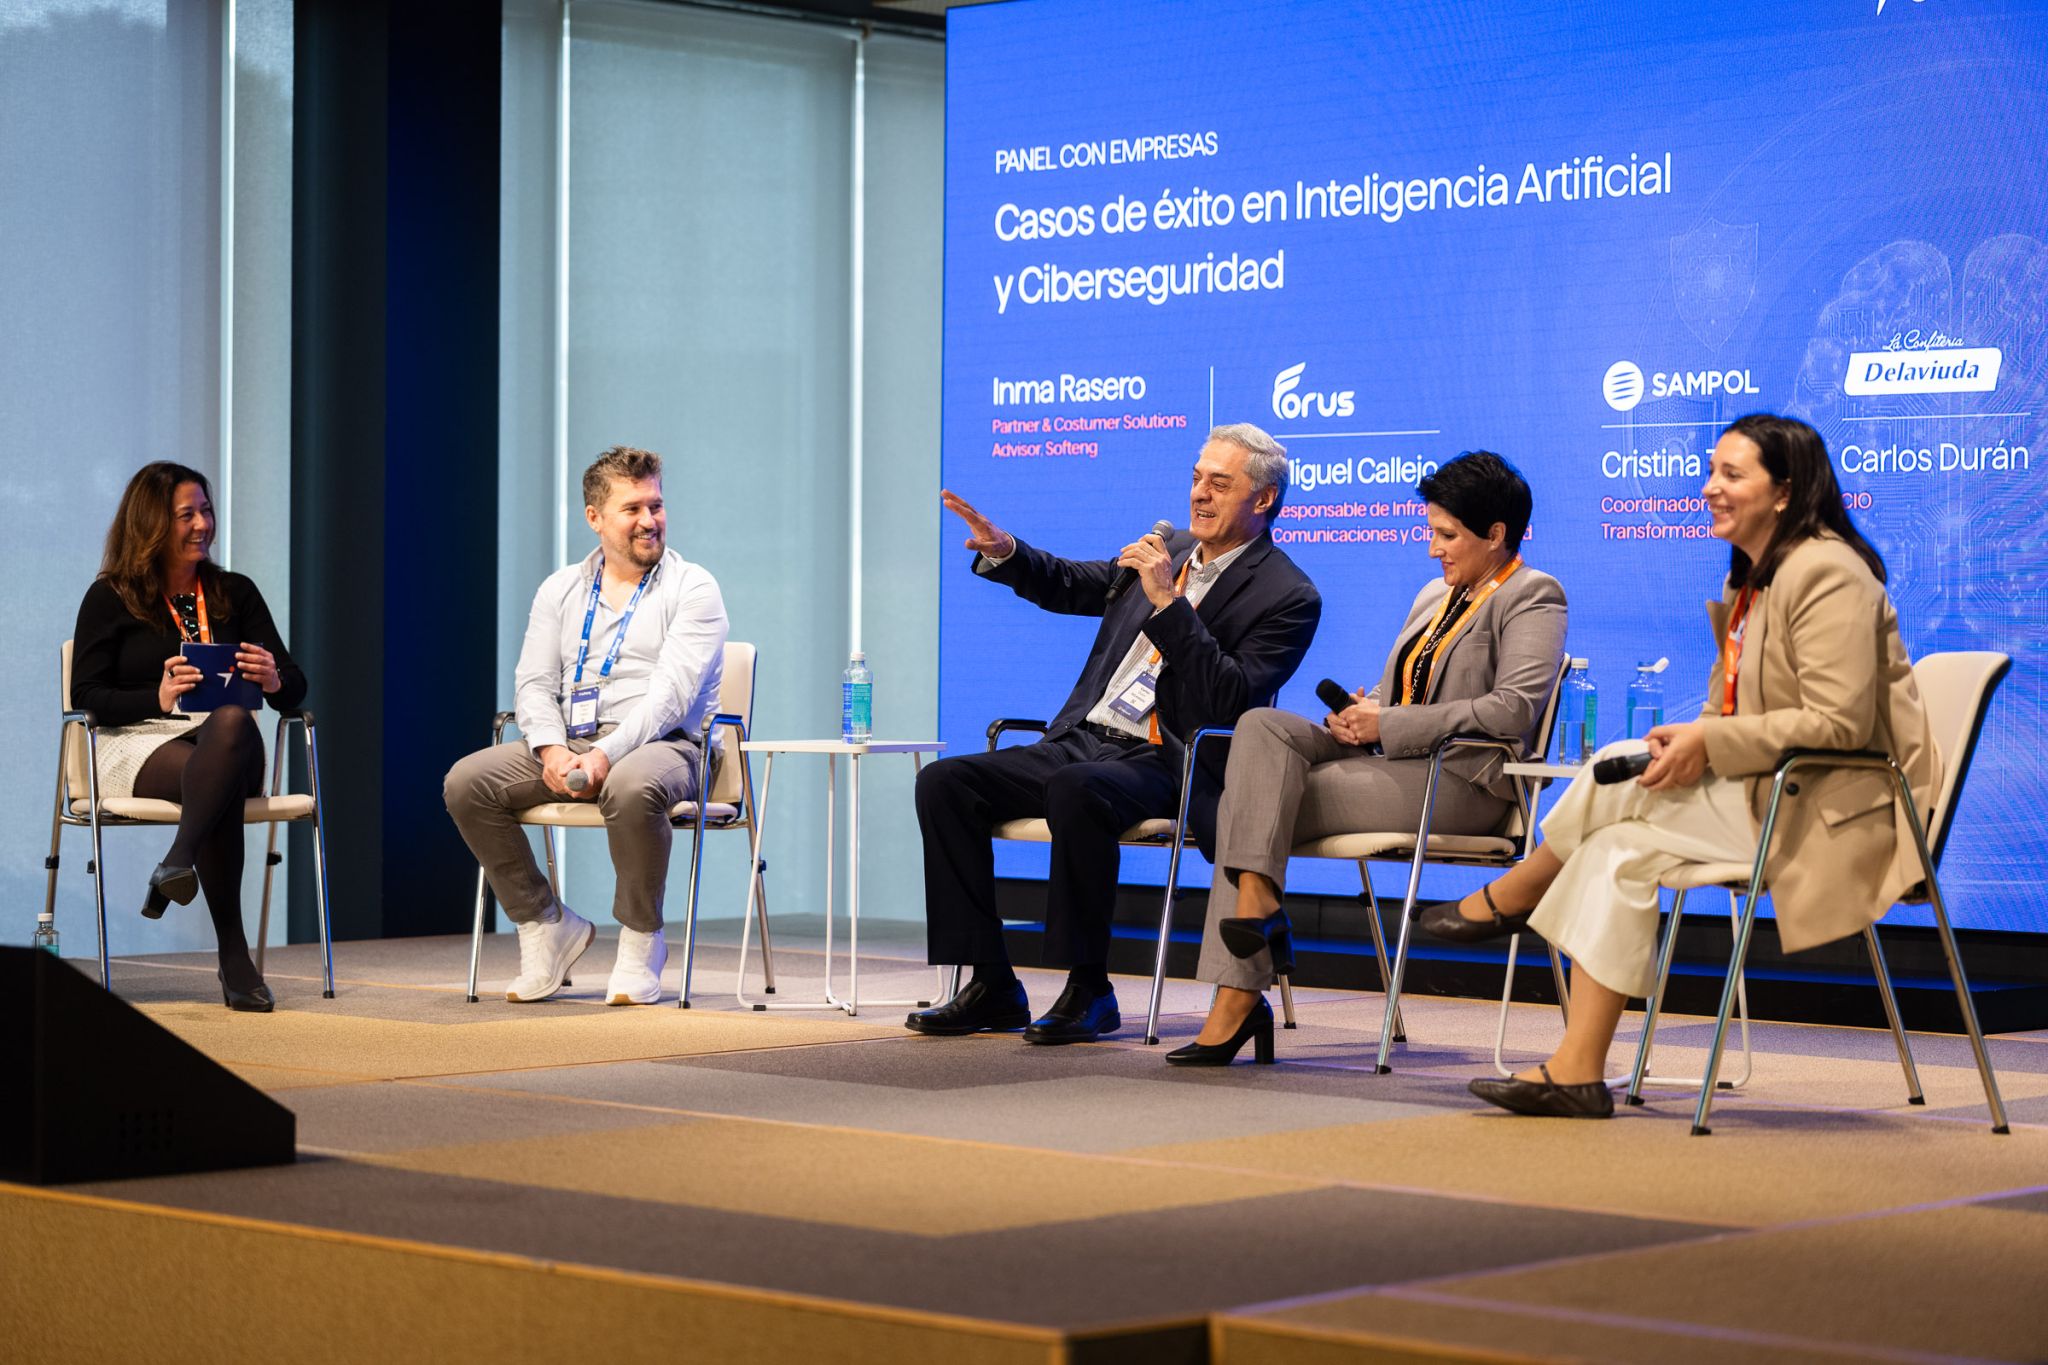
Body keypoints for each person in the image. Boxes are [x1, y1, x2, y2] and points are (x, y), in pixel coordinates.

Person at [1426, 414, 1937, 1118]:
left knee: (1613, 770)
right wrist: (1694, 735)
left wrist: (1712, 744)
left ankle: (1518, 892)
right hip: (1771, 792)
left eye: (1732, 474)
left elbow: (1838, 724)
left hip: (1832, 809)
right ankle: (1577, 1070)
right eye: (1712, 471)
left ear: (1785, 492)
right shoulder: (1755, 578)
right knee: (1613, 847)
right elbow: (1733, 711)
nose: (1709, 487)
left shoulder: (1827, 573)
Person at [905, 423, 1322, 1045]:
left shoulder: (1288, 594)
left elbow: (1227, 699)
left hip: (1174, 757)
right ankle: (991, 982)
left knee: (1078, 789)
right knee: (946, 783)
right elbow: (1077, 583)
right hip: (1088, 737)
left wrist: (1169, 606)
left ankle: (1088, 987)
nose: (1199, 495)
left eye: (1220, 483)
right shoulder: (1170, 550)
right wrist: (1005, 550)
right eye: (1196, 478)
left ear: (1262, 500)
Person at [1167, 451, 1567, 1065]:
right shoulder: (1437, 593)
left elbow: (1512, 710)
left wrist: (1392, 722)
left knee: (1249, 806)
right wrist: (1366, 710)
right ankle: (1258, 912)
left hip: (1459, 782)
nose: (1434, 549)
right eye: (1432, 532)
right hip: (1393, 756)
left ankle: (1239, 992)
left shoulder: (1533, 594)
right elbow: (1408, 682)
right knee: (1261, 728)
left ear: (1496, 535)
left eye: (1447, 535)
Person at [445, 446, 728, 1006]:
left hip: (671, 745)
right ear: (594, 518)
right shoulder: (562, 589)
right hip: (574, 741)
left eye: (657, 505)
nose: (651, 521)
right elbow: (532, 682)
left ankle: (642, 940)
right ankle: (545, 923)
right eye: (633, 509)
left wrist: (607, 753)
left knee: (630, 783)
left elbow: (670, 700)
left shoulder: (693, 588)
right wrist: (551, 750)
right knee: (466, 783)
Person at [71, 462, 307, 1012]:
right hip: (139, 741)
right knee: (214, 787)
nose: (203, 523)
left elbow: (293, 687)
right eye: (187, 514)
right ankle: (234, 958)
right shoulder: (112, 597)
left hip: (229, 741)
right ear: (153, 522)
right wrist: (154, 698)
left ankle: (178, 856)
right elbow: (87, 696)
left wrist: (274, 678)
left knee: (230, 721)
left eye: (206, 510)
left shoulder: (234, 593)